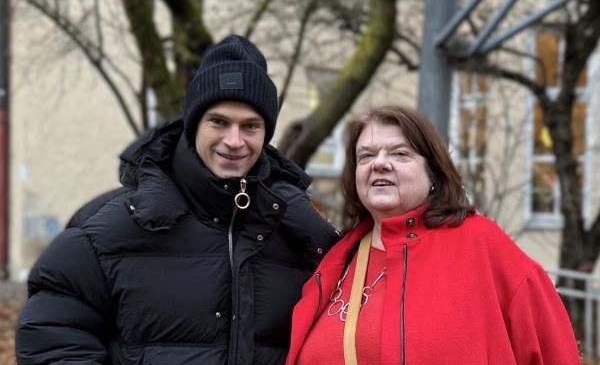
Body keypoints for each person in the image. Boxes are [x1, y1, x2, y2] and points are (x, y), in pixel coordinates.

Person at [15, 35, 340, 365]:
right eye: (219, 122)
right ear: (193, 124)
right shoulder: (109, 227)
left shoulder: (301, 234)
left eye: (250, 126)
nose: (234, 140)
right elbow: (54, 334)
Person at [286, 105, 581, 365]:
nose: (379, 163)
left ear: (433, 175)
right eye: (366, 156)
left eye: (400, 153)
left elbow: (552, 350)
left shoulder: (480, 244)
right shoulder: (337, 258)